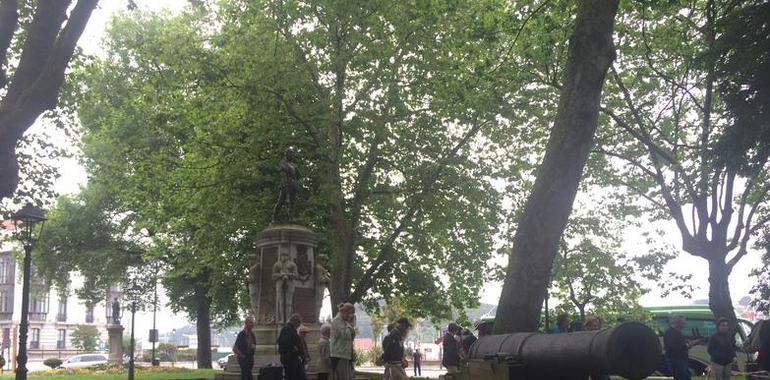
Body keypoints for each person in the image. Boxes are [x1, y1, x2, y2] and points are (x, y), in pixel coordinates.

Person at [278, 313, 308, 380]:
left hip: (293, 358)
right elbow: (285, 343)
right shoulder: (287, 329)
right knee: (292, 376)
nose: (299, 324)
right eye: (299, 322)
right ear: (294, 321)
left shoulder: (291, 329)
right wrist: (293, 348)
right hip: (290, 358)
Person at [330, 303, 356, 380]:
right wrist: (350, 324)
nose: (350, 316)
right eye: (349, 313)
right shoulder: (337, 321)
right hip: (339, 354)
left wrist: (350, 325)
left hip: (345, 354)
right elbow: (346, 335)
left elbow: (352, 336)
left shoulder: (345, 322)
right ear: (344, 311)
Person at [664, 315, 692, 380]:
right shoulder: (670, 332)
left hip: (681, 359)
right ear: (678, 323)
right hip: (676, 360)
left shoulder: (676, 332)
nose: (684, 325)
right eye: (683, 323)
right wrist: (687, 345)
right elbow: (673, 347)